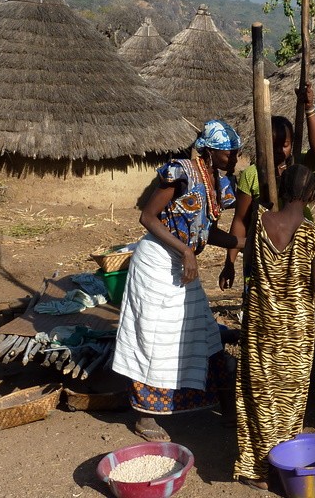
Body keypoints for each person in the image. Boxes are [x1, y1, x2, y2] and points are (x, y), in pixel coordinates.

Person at [111, 119, 244, 443]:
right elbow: (147, 217)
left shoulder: (219, 184)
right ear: (211, 152)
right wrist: (186, 250)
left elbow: (205, 230)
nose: (235, 158)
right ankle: (146, 417)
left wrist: (239, 244)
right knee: (156, 339)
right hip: (157, 262)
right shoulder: (181, 172)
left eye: (237, 152)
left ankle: (227, 411)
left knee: (206, 332)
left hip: (183, 264)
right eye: (229, 153)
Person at [234, 164, 315, 490]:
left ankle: (257, 470)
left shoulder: (258, 223)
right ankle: (285, 467)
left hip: (260, 323)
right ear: (312, 195)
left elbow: (251, 264)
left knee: (258, 395)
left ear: (281, 189)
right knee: (290, 400)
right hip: (295, 332)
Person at [219, 83, 315, 291]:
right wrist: (229, 263)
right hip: (262, 254)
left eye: (284, 145)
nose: (278, 151)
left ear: (292, 143)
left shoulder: (299, 168)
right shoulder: (252, 174)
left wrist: (309, 109)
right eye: (273, 145)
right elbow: (241, 220)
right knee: (261, 310)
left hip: (298, 252)